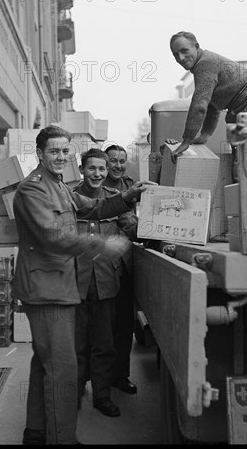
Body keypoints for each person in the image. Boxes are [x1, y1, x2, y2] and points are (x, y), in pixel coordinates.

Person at [11, 125, 153, 445]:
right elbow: (53, 236)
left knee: (43, 364)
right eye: (54, 151)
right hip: (47, 290)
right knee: (62, 369)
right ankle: (62, 438)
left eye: (65, 151)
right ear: (40, 154)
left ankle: (35, 432)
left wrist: (128, 196)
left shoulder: (58, 185)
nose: (61, 157)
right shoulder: (32, 189)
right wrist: (103, 245)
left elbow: (91, 207)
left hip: (58, 287)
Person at [73, 148, 136, 418]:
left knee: (104, 345)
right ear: (82, 170)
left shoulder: (115, 199)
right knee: (76, 345)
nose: (97, 174)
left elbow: (131, 230)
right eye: (92, 168)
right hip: (74, 283)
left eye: (101, 169)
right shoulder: (69, 197)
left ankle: (102, 396)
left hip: (106, 282)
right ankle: (74, 393)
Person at [168, 31, 247, 161]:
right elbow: (212, 105)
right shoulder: (203, 63)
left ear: (196, 47)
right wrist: (205, 134)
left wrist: (186, 141)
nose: (180, 58)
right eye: (175, 54)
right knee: (245, 163)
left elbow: (199, 105)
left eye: (184, 51)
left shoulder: (205, 64)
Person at [103, 145, 139, 395]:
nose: (117, 165)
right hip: (102, 265)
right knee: (102, 325)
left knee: (125, 323)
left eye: (122, 160)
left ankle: (120, 375)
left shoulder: (131, 184)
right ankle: (97, 378)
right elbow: (127, 221)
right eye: (112, 161)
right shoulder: (96, 185)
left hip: (125, 263)